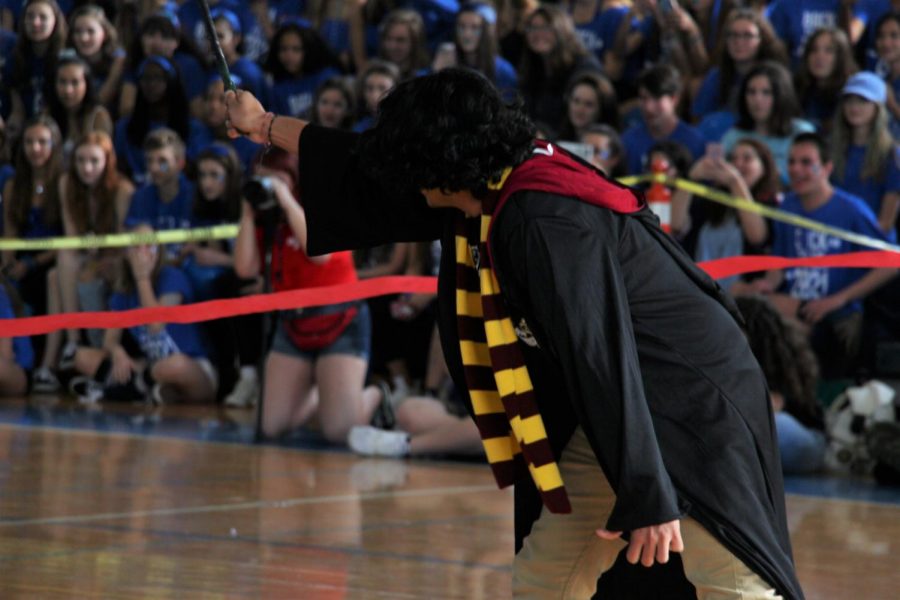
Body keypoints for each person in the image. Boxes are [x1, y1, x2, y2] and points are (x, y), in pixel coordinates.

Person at [225, 67, 804, 599]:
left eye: (413, 170)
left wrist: (647, 492)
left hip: (690, 404)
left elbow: (597, 354)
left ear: (439, 168)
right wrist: (265, 126)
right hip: (618, 407)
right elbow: (367, 163)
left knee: (732, 582)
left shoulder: (543, 221)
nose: (405, 185)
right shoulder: (492, 173)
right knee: (546, 576)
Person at [232, 147, 388, 442]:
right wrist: (248, 212)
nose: (269, 189)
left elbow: (320, 254)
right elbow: (244, 268)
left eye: (275, 180)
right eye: (261, 181)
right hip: (293, 323)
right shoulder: (266, 220)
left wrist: (287, 201)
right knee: (270, 427)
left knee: (339, 432)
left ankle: (375, 395)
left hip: (340, 319)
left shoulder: (320, 205)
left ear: (294, 180)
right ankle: (322, 393)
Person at [738, 133, 898, 378]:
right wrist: (767, 284)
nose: (796, 169)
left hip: (837, 315)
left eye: (806, 162)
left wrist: (839, 299)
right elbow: (780, 263)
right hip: (795, 307)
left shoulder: (850, 209)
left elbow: (892, 261)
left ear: (826, 168)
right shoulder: (787, 207)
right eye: (791, 162)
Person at [734, 295, 827, 475]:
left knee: (774, 425)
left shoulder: (785, 358)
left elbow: (785, 407)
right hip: (764, 444)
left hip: (801, 437)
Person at [829, 72, 900, 233]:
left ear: (877, 107)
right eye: (849, 100)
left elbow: (885, 223)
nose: (854, 107)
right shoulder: (832, 149)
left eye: (863, 100)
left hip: (870, 245)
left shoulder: (893, 156)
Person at [620, 64, 706, 175]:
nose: (648, 107)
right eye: (644, 98)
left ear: (674, 99)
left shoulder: (695, 142)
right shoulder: (628, 141)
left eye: (657, 98)